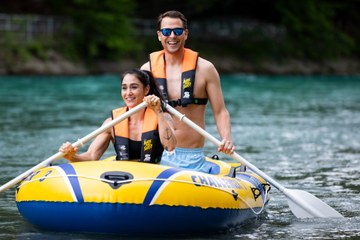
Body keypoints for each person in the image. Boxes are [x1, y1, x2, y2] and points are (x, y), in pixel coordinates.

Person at [140, 10, 235, 173]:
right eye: (166, 31)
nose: (172, 36)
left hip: (191, 157)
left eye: (177, 31)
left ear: (185, 34)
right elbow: (136, 115)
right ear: (159, 35)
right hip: (157, 155)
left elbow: (220, 112)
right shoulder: (146, 70)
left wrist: (226, 139)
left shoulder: (205, 69)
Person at [59, 69, 176, 163]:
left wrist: (158, 111)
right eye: (124, 88)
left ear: (146, 90)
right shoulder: (111, 123)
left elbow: (170, 147)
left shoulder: (163, 117)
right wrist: (71, 156)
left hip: (151, 177)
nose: (128, 93)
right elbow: (91, 157)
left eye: (134, 87)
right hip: (123, 177)